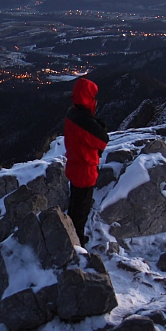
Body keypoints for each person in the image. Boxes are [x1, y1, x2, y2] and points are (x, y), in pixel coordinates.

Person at [64, 77, 109, 245]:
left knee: (75, 204)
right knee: (81, 210)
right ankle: (77, 241)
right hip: (85, 171)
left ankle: (71, 234)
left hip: (74, 167)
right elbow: (102, 140)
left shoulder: (72, 113)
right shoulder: (84, 121)